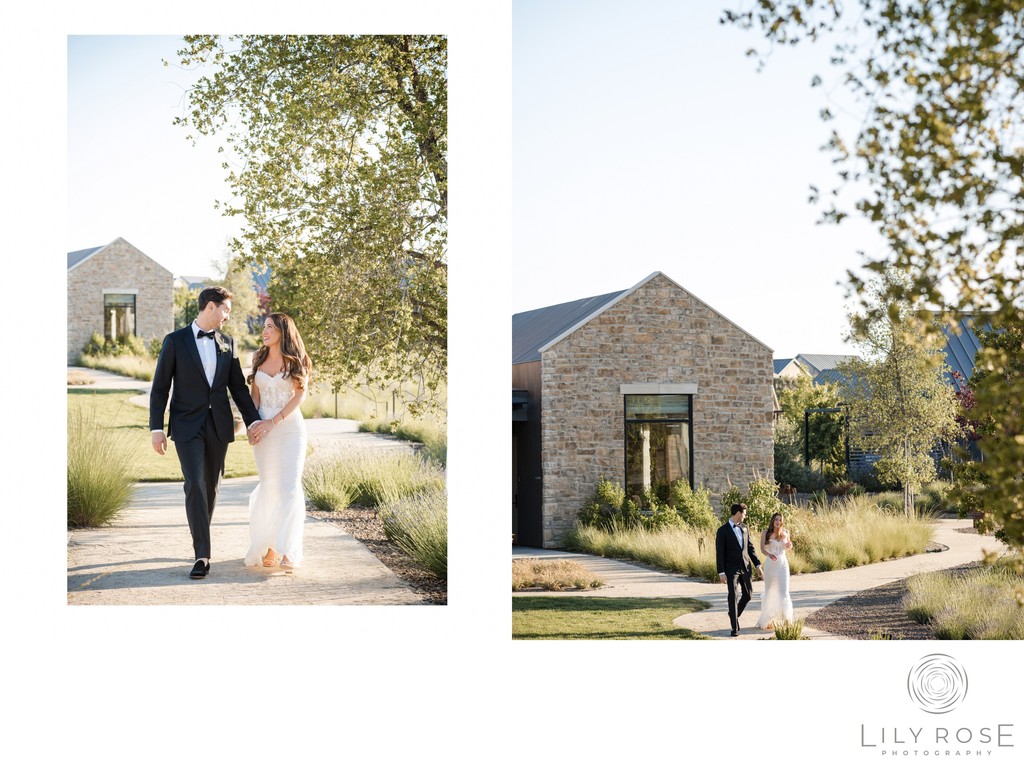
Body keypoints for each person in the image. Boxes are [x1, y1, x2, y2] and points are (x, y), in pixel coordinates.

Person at [150, 286, 263, 579]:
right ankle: (202, 554)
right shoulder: (175, 341)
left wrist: (253, 421)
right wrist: (156, 428)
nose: (227, 316)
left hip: (219, 425)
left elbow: (237, 387)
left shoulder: (228, 342)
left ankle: (200, 536)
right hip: (186, 426)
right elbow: (161, 387)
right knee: (194, 483)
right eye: (225, 310)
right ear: (210, 307)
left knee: (211, 486)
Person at [243, 313, 313, 571]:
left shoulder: (297, 361)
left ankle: (288, 550)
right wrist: (253, 426)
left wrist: (274, 421)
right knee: (270, 487)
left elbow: (299, 396)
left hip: (290, 431)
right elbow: (255, 398)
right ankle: (271, 547)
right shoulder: (258, 358)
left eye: (270, 327)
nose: (265, 331)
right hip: (264, 432)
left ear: (283, 331)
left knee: (289, 487)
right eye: (264, 327)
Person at [715, 502, 763, 636]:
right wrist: (721, 572)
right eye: (744, 514)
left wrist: (758, 565)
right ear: (738, 514)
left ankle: (733, 614)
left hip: (746, 567)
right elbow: (720, 553)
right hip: (731, 569)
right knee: (733, 596)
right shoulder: (722, 531)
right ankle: (734, 627)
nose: (745, 517)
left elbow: (750, 548)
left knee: (748, 594)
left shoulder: (745, 528)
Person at [757, 512, 794, 630]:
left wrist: (790, 545)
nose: (778, 522)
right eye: (776, 519)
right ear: (773, 521)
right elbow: (762, 549)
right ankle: (768, 620)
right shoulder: (765, 533)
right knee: (770, 591)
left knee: (784, 592)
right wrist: (769, 554)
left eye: (780, 520)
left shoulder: (785, 533)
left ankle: (787, 620)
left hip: (783, 565)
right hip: (770, 565)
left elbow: (788, 547)